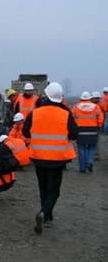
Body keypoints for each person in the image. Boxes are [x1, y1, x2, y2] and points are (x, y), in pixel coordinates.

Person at [22, 82, 78, 234]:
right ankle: (45, 214)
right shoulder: (65, 114)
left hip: (38, 157)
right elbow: (74, 134)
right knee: (54, 190)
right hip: (57, 159)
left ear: (46, 96)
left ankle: (47, 216)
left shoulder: (35, 113)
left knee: (43, 187)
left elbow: (26, 133)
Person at [71, 91, 103, 172]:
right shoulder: (95, 107)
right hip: (92, 130)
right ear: (90, 98)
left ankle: (82, 168)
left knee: (81, 148)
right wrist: (98, 125)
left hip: (80, 131)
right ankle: (89, 162)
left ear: (80, 98)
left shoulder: (75, 108)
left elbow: (72, 119)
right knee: (92, 147)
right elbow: (100, 117)